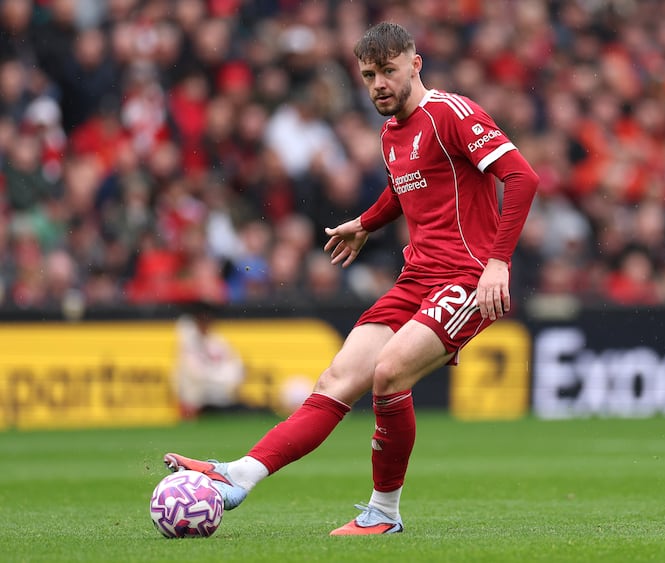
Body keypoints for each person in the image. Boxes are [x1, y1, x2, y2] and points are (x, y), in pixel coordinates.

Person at [163, 21, 539, 535]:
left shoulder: (451, 113)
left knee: (389, 373)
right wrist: (366, 222)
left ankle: (383, 514)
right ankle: (239, 476)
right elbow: (405, 190)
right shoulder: (390, 134)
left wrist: (499, 262)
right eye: (368, 75)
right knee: (336, 380)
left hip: (468, 278)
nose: (379, 83)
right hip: (416, 278)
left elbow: (521, 176)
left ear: (415, 64)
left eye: (388, 70)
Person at [172, 300, 245, 420]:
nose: (206, 324)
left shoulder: (218, 341)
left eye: (208, 320)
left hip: (220, 396)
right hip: (198, 399)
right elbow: (197, 373)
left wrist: (227, 378)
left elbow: (235, 365)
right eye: (202, 320)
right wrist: (221, 376)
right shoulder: (188, 343)